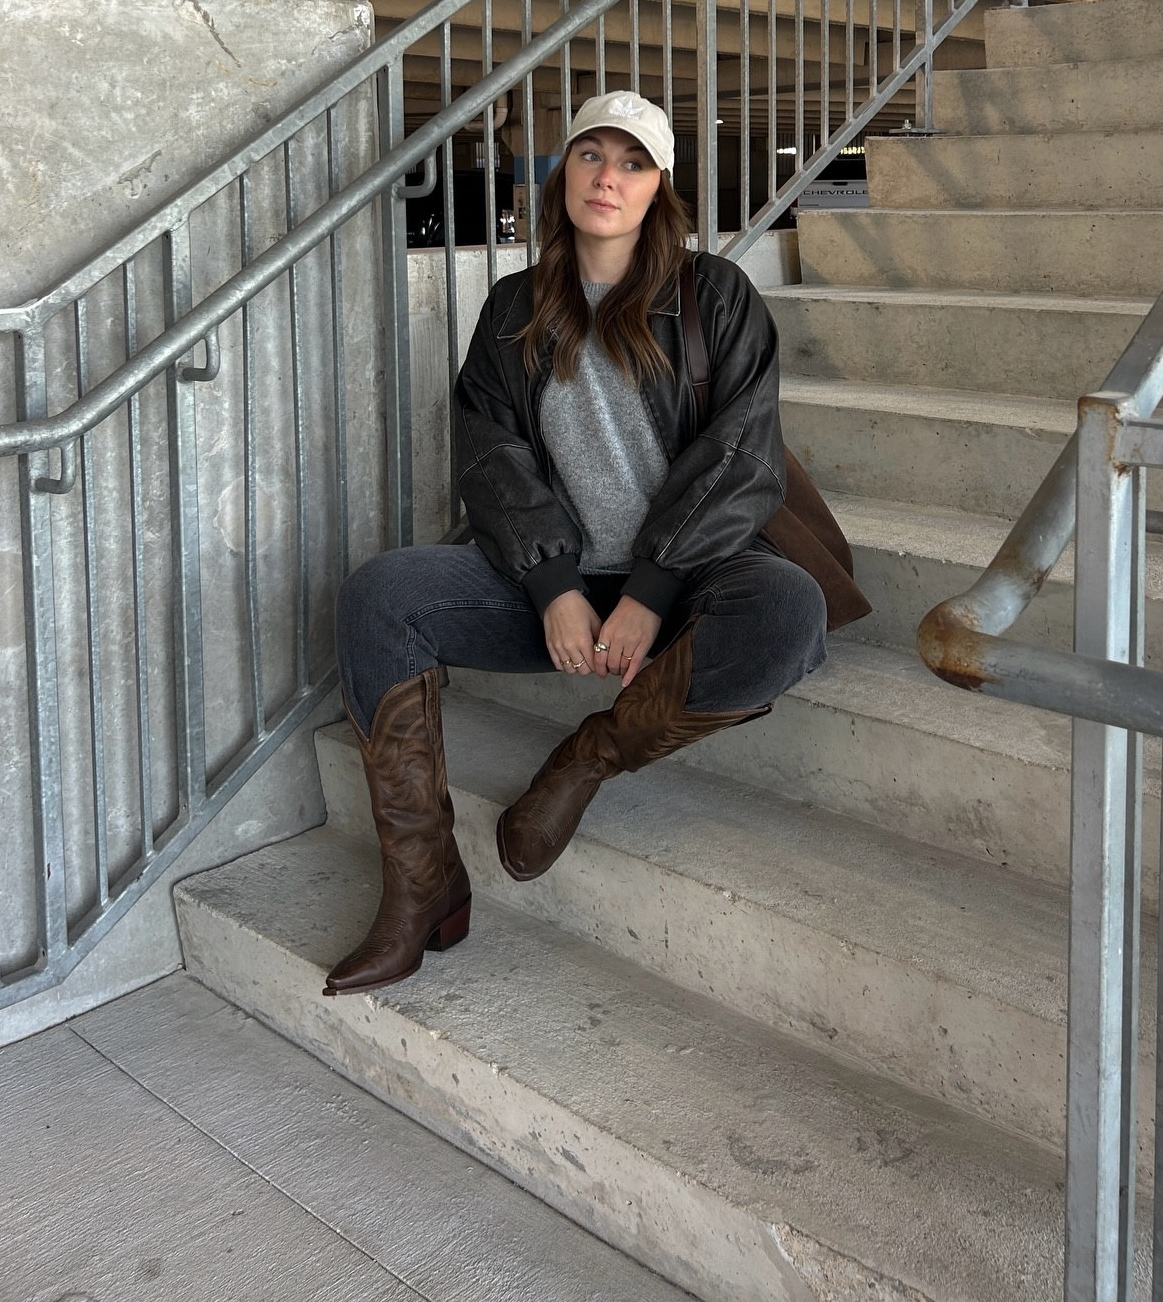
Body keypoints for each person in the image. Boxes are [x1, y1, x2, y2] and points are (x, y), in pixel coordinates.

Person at [325, 91, 828, 996]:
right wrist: (553, 584)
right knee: (382, 594)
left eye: (633, 162)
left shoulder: (714, 295)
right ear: (563, 177)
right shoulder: (517, 307)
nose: (609, 177)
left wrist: (651, 592)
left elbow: (741, 457)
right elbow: (489, 452)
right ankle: (422, 885)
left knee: (788, 609)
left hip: (681, 585)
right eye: (592, 155)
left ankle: (589, 758)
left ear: (659, 186)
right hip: (554, 590)